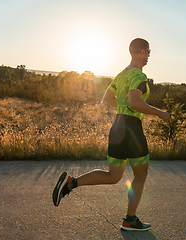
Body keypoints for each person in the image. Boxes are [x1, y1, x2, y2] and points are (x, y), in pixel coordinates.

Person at [52, 38, 170, 231]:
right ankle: (129, 220)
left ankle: (71, 182)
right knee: (141, 175)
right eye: (148, 52)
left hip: (117, 126)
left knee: (114, 175)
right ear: (141, 52)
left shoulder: (122, 74)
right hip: (131, 128)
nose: (149, 56)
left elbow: (107, 98)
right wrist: (159, 113)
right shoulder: (139, 76)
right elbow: (135, 102)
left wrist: (123, 111)